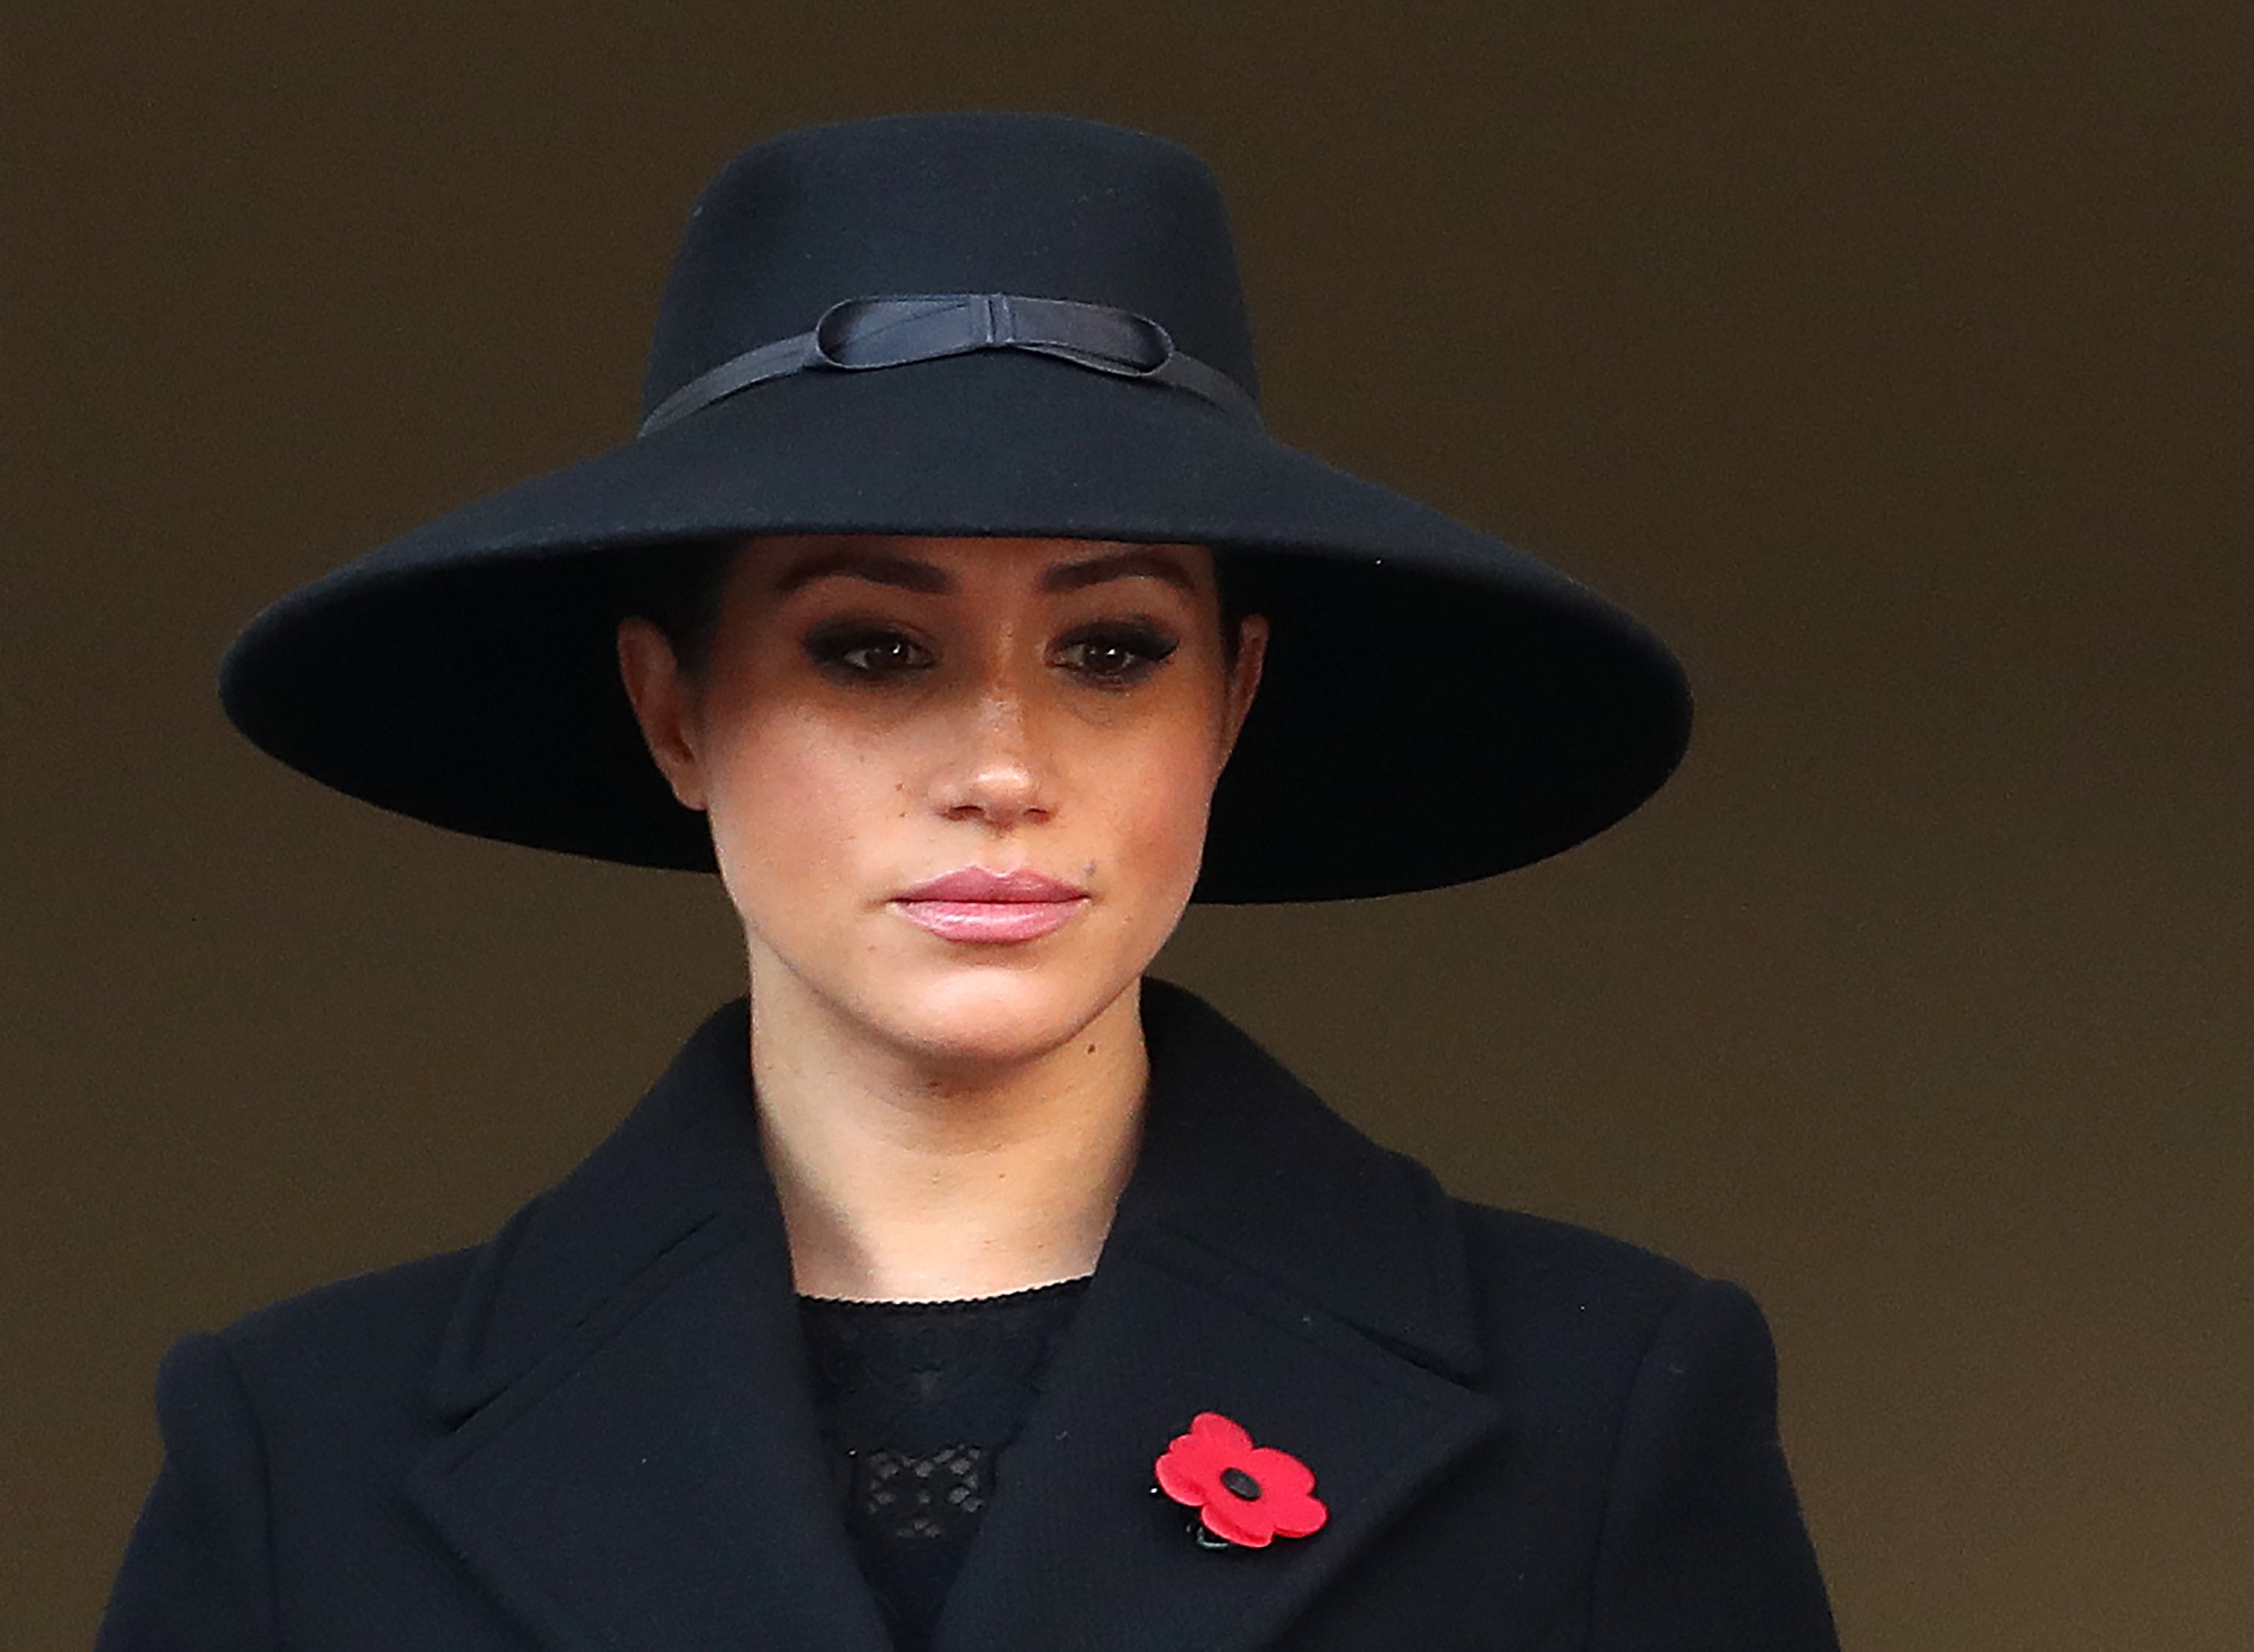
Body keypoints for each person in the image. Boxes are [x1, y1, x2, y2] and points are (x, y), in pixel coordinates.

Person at [98, 112, 1838, 1650]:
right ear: (671, 708)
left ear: (1230, 702)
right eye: (869, 649)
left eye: (1108, 646)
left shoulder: (1600, 1406)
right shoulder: (305, 1446)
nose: (1003, 766)